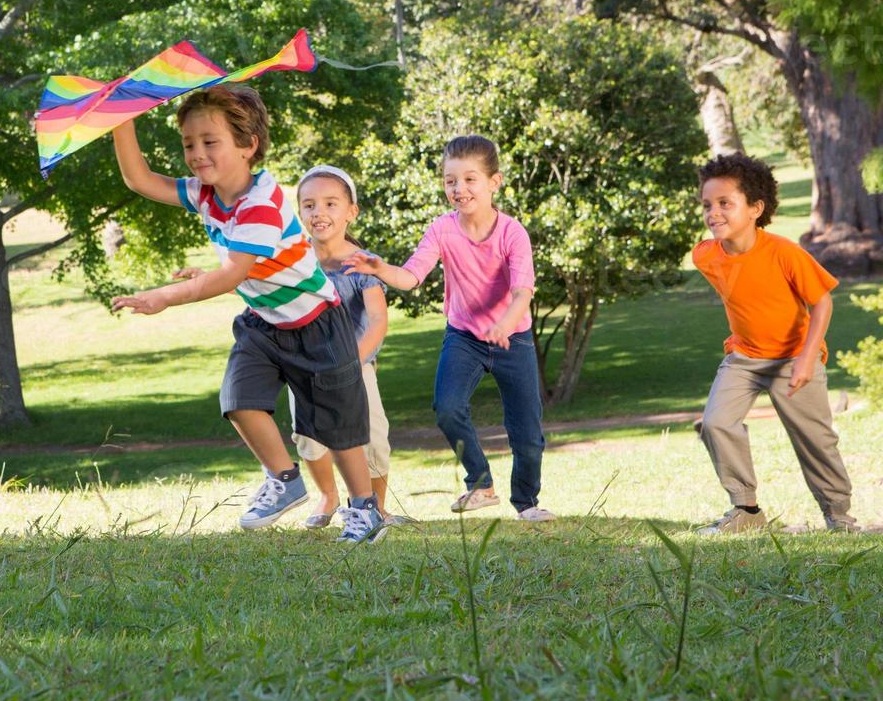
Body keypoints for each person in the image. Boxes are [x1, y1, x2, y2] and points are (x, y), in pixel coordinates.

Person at [107, 85, 385, 543]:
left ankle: (363, 508)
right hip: (264, 323)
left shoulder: (261, 203)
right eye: (189, 144)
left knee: (339, 426)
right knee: (238, 399)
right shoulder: (207, 193)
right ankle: (284, 478)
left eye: (209, 142)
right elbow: (140, 179)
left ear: (248, 144)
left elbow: (232, 273)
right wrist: (121, 118)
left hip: (317, 324)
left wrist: (166, 296)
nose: (196, 154)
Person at [345, 135, 554, 521]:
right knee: (447, 408)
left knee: (526, 433)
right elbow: (411, 276)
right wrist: (379, 268)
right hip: (464, 337)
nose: (459, 189)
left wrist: (505, 324)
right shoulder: (442, 229)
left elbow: (523, 290)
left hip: (514, 337)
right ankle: (480, 483)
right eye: (450, 181)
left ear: (495, 182)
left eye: (470, 179)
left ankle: (527, 504)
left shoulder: (512, 233)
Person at [693, 153, 858, 534]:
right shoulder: (704, 256)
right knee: (716, 423)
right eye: (707, 205)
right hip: (744, 357)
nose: (713, 213)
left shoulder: (784, 253)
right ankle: (747, 512)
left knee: (815, 440)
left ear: (756, 208)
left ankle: (839, 515)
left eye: (724, 204)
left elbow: (822, 301)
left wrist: (806, 359)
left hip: (793, 358)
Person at [281, 165, 404, 532]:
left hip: (356, 365)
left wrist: (351, 362)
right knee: (309, 438)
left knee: (374, 439)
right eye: (310, 205)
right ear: (300, 213)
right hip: (306, 366)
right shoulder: (297, 261)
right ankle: (329, 497)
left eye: (331, 203)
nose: (319, 212)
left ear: (351, 212)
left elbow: (378, 320)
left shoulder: (361, 262)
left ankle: (375, 507)